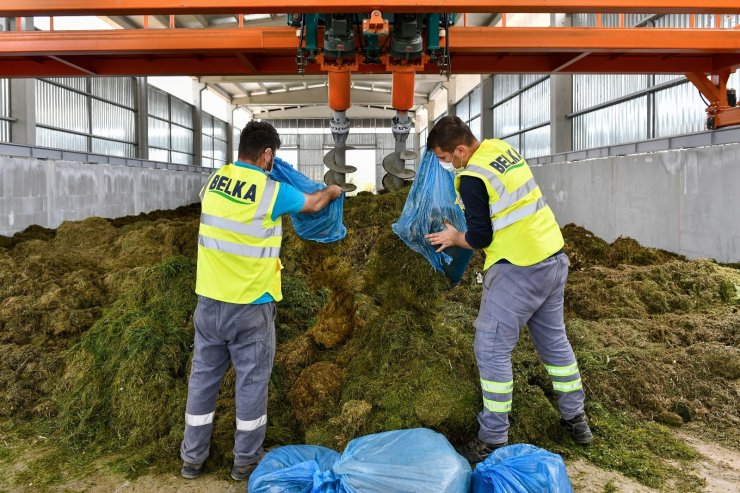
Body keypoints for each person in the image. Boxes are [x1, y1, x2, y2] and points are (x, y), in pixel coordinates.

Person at [180, 121, 343, 481]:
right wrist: (331, 191)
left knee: (202, 381)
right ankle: (245, 463)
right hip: (251, 307)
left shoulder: (213, 181)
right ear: (267, 154)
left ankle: (192, 459)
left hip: (208, 302)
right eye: (274, 156)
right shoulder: (271, 191)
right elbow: (314, 204)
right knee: (251, 383)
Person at [425, 116, 592, 464]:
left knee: (490, 347)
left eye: (445, 157)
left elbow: (481, 237)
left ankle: (493, 438)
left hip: (518, 266)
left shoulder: (471, 176)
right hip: (553, 258)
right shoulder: (501, 149)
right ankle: (576, 418)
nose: (446, 164)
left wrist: (455, 237)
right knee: (554, 343)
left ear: (459, 149)